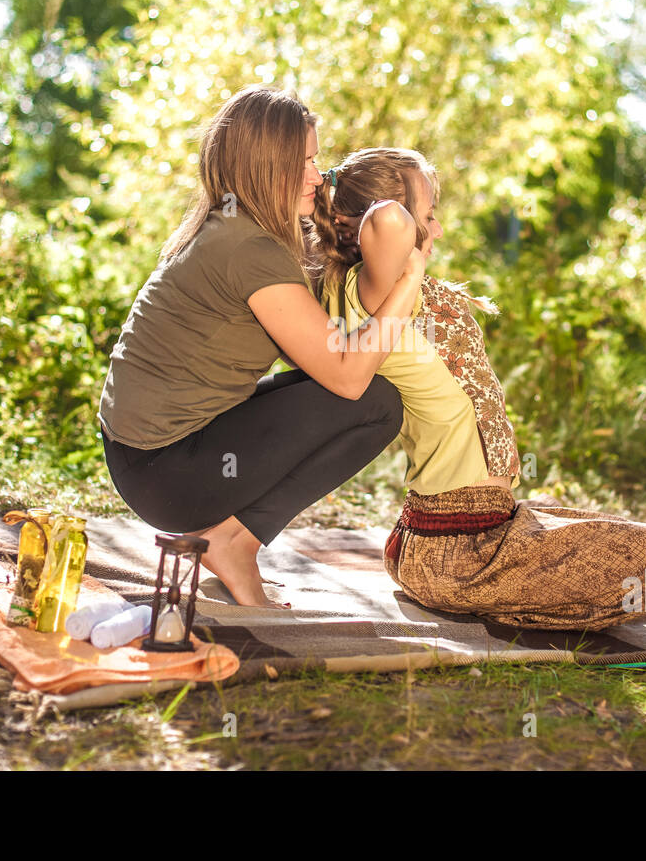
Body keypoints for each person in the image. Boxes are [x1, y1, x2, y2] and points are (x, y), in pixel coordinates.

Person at [310, 147, 646, 630]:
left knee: (611, 534)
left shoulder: (381, 288)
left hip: (473, 528)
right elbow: (387, 218)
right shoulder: (376, 289)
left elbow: (388, 220)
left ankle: (513, 590)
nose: (438, 229)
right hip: (458, 550)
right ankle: (504, 599)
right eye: (429, 215)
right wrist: (363, 200)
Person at [97, 87, 427, 609]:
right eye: (303, 162)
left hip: (146, 459)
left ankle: (231, 542)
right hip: (165, 472)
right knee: (375, 403)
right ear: (264, 167)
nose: (317, 176)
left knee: (356, 395)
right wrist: (410, 277)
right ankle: (231, 541)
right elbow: (346, 377)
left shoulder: (232, 227)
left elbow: (313, 355)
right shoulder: (251, 250)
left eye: (316, 161)